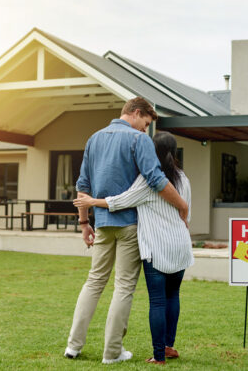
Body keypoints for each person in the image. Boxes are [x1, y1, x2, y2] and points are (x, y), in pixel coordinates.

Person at [64, 97, 188, 364]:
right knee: (123, 287)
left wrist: (84, 223)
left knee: (94, 282)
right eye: (145, 123)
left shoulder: (94, 139)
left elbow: (82, 185)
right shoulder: (138, 140)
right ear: (135, 113)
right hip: (130, 225)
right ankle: (112, 353)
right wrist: (182, 205)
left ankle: (73, 346)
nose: (145, 130)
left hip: (102, 223)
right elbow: (156, 180)